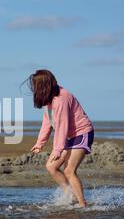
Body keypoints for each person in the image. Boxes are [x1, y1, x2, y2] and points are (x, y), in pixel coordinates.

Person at [25, 69, 94, 208]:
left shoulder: (61, 98)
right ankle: (71, 195)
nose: (34, 88)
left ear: (44, 85)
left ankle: (82, 205)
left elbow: (62, 125)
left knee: (69, 171)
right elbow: (47, 121)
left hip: (82, 133)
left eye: (36, 85)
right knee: (51, 166)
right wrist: (40, 143)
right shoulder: (49, 100)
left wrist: (58, 149)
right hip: (69, 136)